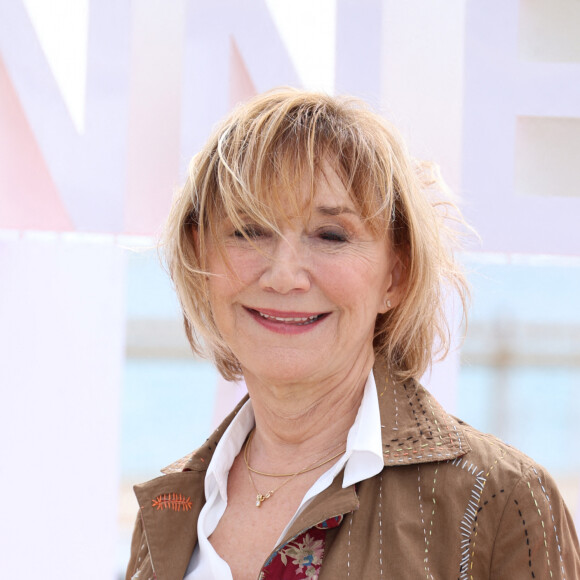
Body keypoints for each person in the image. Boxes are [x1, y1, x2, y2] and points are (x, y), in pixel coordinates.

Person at [126, 88, 580, 580]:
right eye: (249, 230)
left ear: (396, 274)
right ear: (200, 257)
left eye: (331, 236)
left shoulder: (500, 501)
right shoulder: (171, 508)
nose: (284, 275)